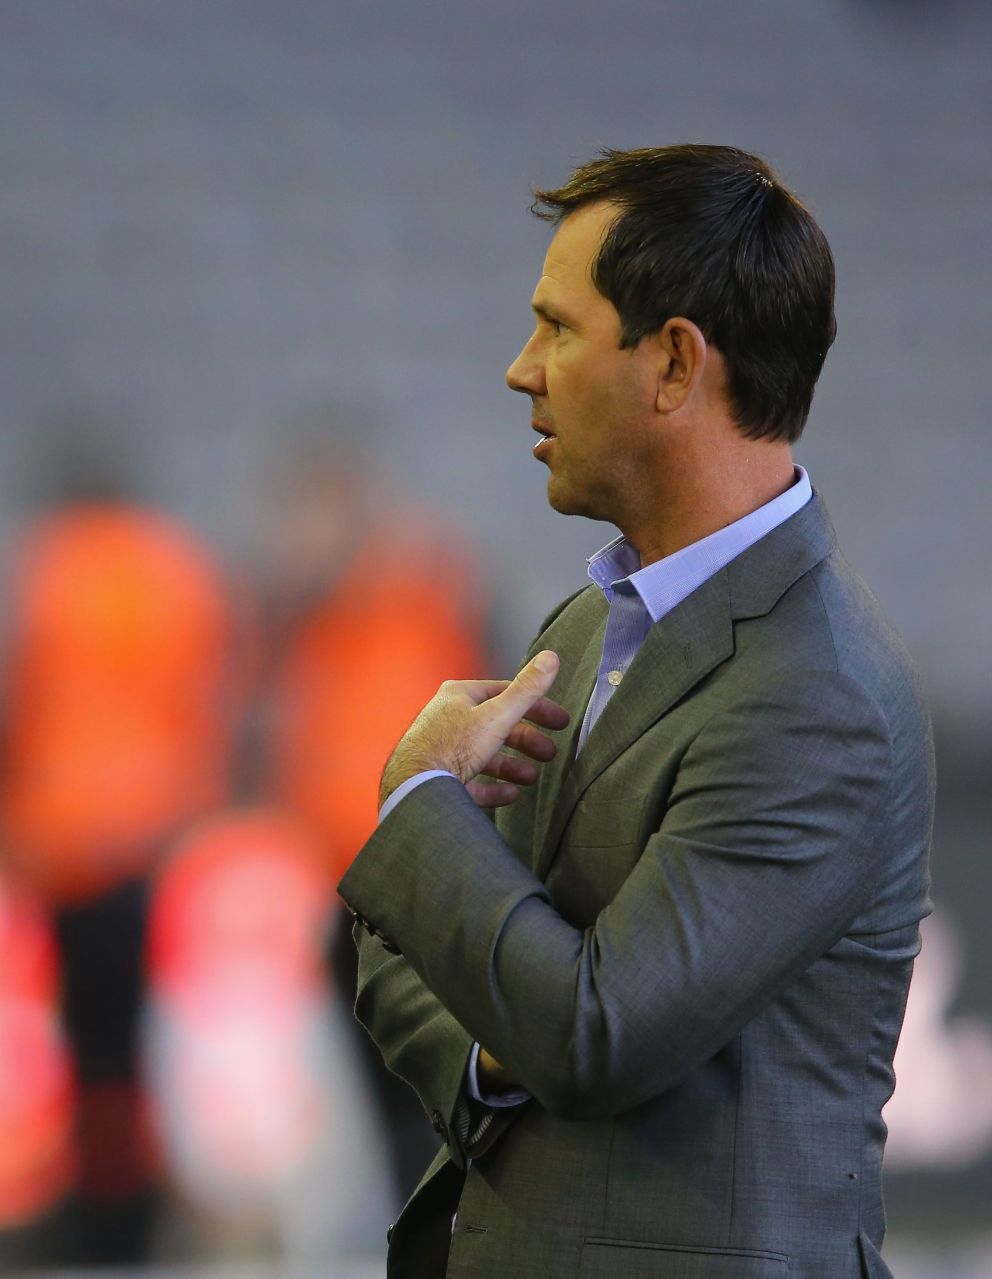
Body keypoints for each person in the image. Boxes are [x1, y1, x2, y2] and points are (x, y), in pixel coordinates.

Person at [337, 145, 932, 1277]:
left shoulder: (819, 696)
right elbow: (403, 945)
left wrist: (419, 798)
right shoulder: (578, 630)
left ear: (672, 365)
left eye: (557, 327)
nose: (522, 369)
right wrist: (493, 1049)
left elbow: (592, 1034)